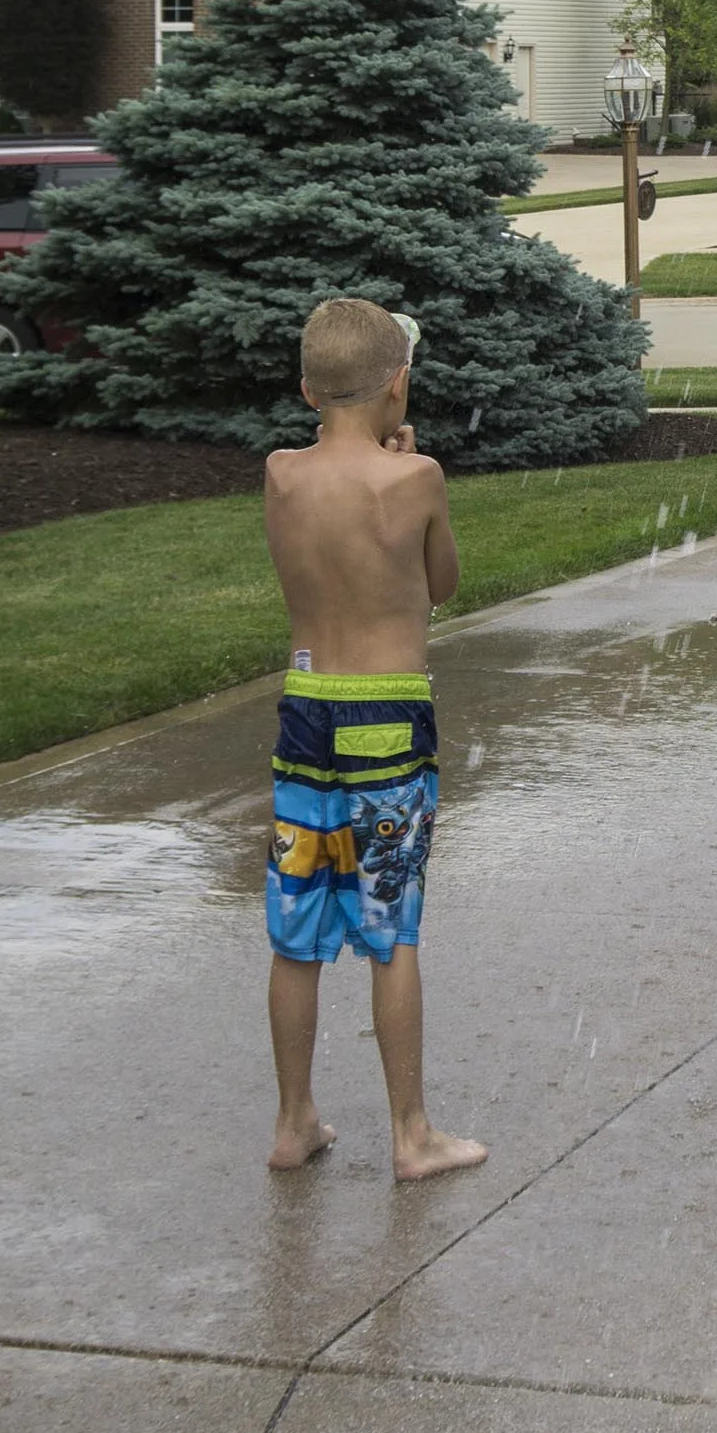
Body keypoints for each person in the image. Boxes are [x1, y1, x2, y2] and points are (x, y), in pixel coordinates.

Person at [261, 296, 486, 1183]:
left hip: (305, 709)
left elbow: (314, 559)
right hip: (386, 717)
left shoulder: (280, 472)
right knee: (391, 931)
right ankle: (411, 1134)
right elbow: (442, 585)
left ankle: (293, 1121)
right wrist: (406, 466)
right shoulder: (416, 478)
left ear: (308, 388)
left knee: (296, 927)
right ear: (399, 386)